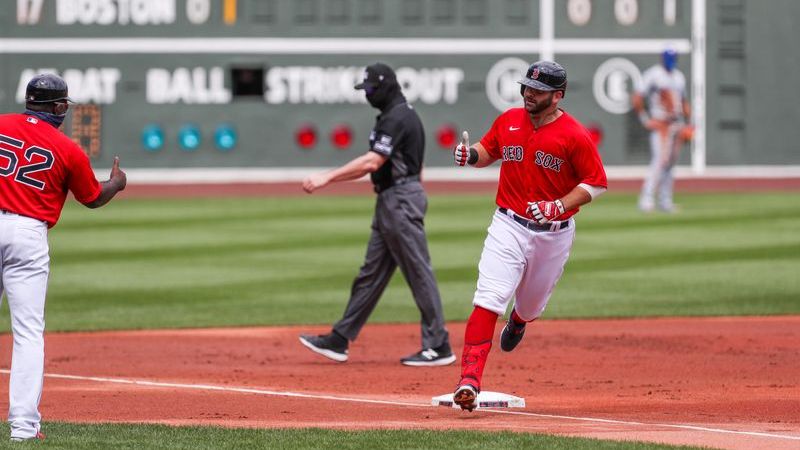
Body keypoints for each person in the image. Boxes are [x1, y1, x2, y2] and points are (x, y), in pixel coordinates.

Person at [450, 61, 607, 411]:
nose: (529, 94)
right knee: (489, 297)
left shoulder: (574, 135)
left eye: (537, 90)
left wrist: (559, 205)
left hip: (553, 235)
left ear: (558, 95)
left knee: (531, 305)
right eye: (526, 87)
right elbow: (488, 151)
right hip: (508, 223)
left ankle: (519, 322)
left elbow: (595, 183)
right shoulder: (509, 120)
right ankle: (469, 382)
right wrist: (469, 155)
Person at [298, 63, 454, 367]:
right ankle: (340, 338)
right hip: (394, 199)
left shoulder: (397, 117)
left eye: (370, 89)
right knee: (370, 274)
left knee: (418, 271)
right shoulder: (400, 114)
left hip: (399, 199)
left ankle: (439, 344)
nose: (367, 95)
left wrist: (326, 178)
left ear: (384, 87)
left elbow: (372, 162)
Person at [0, 73, 127, 441]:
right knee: (27, 333)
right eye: (63, 106)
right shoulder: (67, 148)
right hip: (27, 235)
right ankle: (23, 428)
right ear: (57, 107)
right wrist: (116, 185)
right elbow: (92, 197)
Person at [632, 48, 694, 213]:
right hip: (661, 125)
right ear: (663, 58)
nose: (670, 61)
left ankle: (665, 200)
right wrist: (645, 119)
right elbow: (637, 97)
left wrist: (689, 123)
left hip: (676, 124)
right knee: (659, 161)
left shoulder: (678, 77)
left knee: (670, 163)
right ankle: (646, 199)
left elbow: (683, 101)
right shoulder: (654, 75)